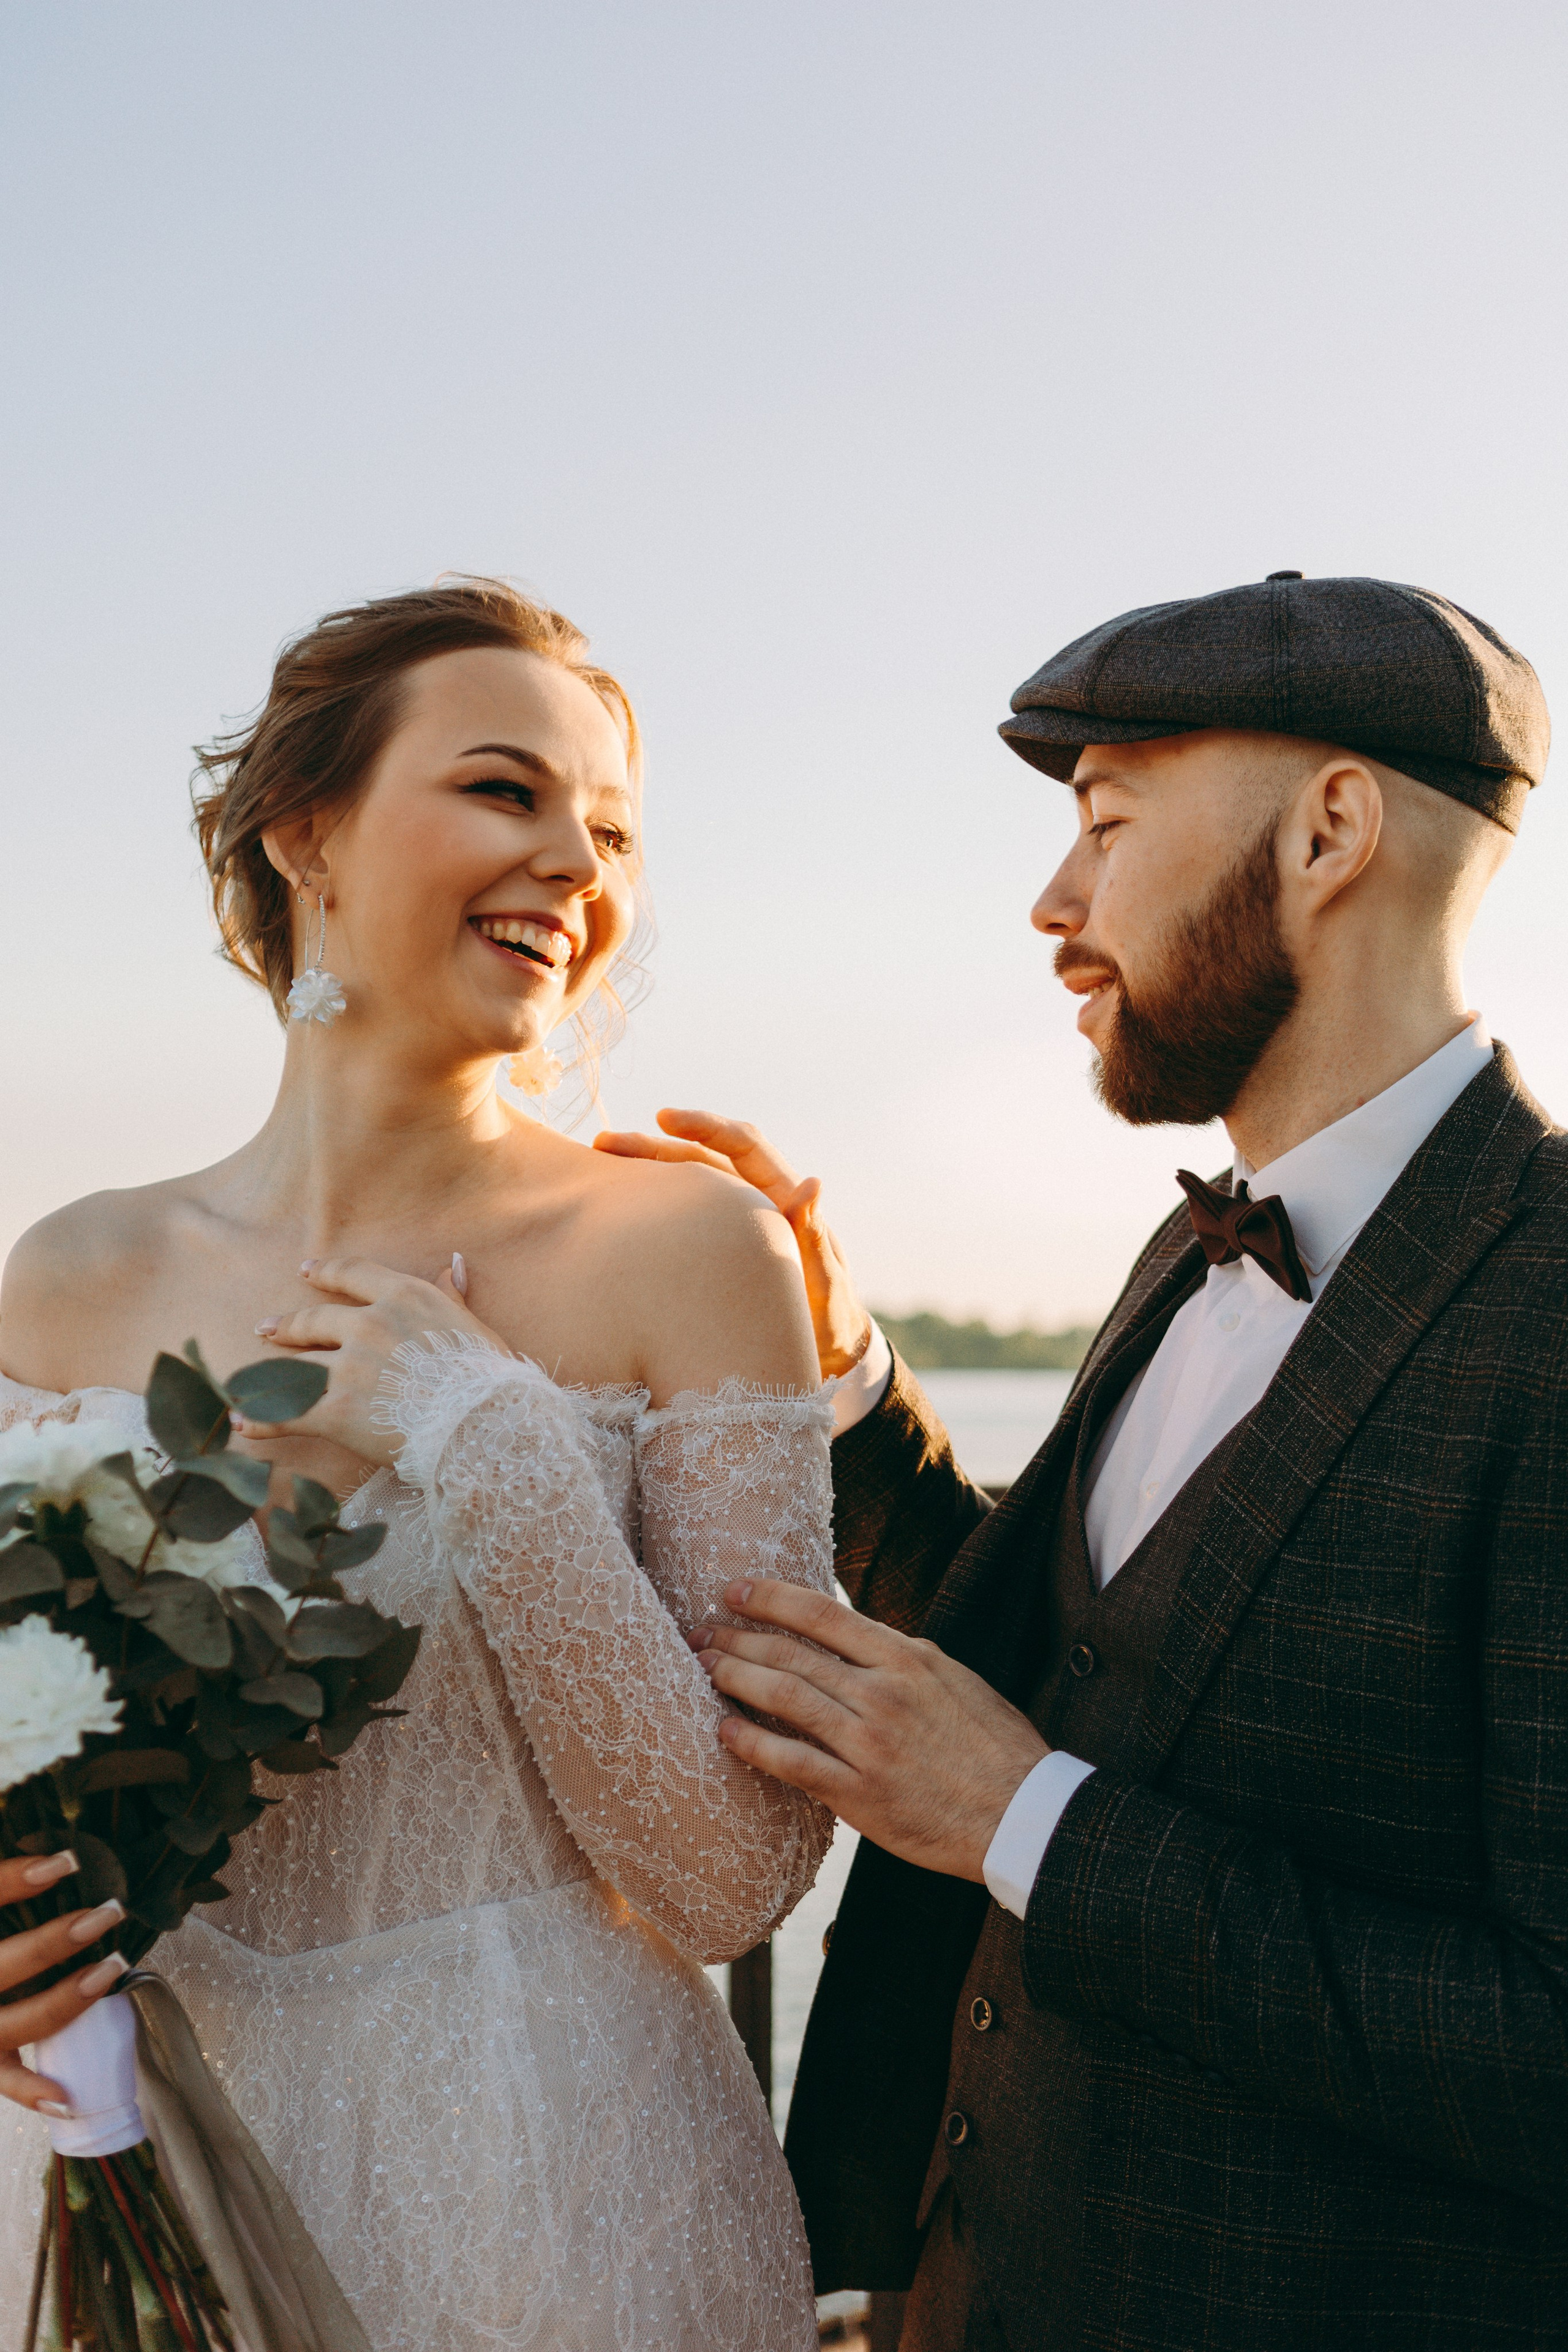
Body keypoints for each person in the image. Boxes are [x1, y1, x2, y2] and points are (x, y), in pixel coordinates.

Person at [600, 575, 1568, 2350]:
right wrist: (837, 1363)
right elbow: (1093, 1652)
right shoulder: (1192, 1249)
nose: (1054, 907)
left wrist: (1028, 1823)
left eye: (1108, 826)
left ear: (1331, 830)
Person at [0, 579, 836, 2352]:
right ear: (304, 831)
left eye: (607, 827)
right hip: (152, 2180)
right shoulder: (68, 1276)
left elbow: (733, 1882)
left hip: (561, 2210)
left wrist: (494, 1440)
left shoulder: (692, 1250)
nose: (576, 868)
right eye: (505, 792)